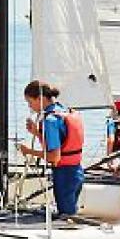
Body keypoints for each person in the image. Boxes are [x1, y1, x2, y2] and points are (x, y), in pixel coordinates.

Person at [23, 80, 86, 215]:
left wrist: (28, 151)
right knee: (70, 213)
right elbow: (62, 142)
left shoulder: (50, 120)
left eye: (30, 102)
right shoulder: (64, 111)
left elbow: (54, 157)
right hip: (77, 172)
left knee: (66, 216)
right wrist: (37, 133)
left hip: (64, 175)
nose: (30, 106)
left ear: (40, 98)